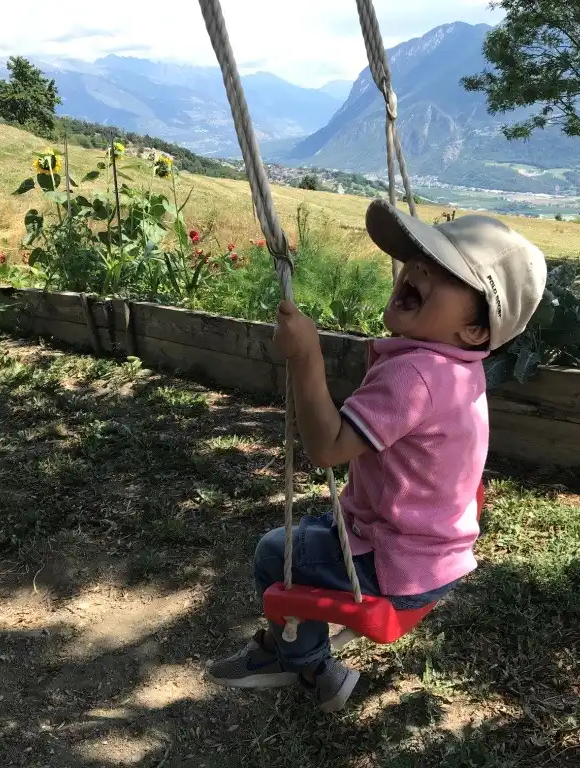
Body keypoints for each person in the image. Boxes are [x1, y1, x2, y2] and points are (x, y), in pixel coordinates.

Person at [206, 198, 547, 712]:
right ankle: (300, 649)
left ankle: (309, 666)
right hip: (435, 552)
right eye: (421, 256)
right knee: (317, 537)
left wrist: (306, 354)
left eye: (446, 271)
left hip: (397, 564)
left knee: (276, 553)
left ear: (475, 330)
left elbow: (326, 448)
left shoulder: (414, 375)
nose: (418, 266)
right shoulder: (459, 366)